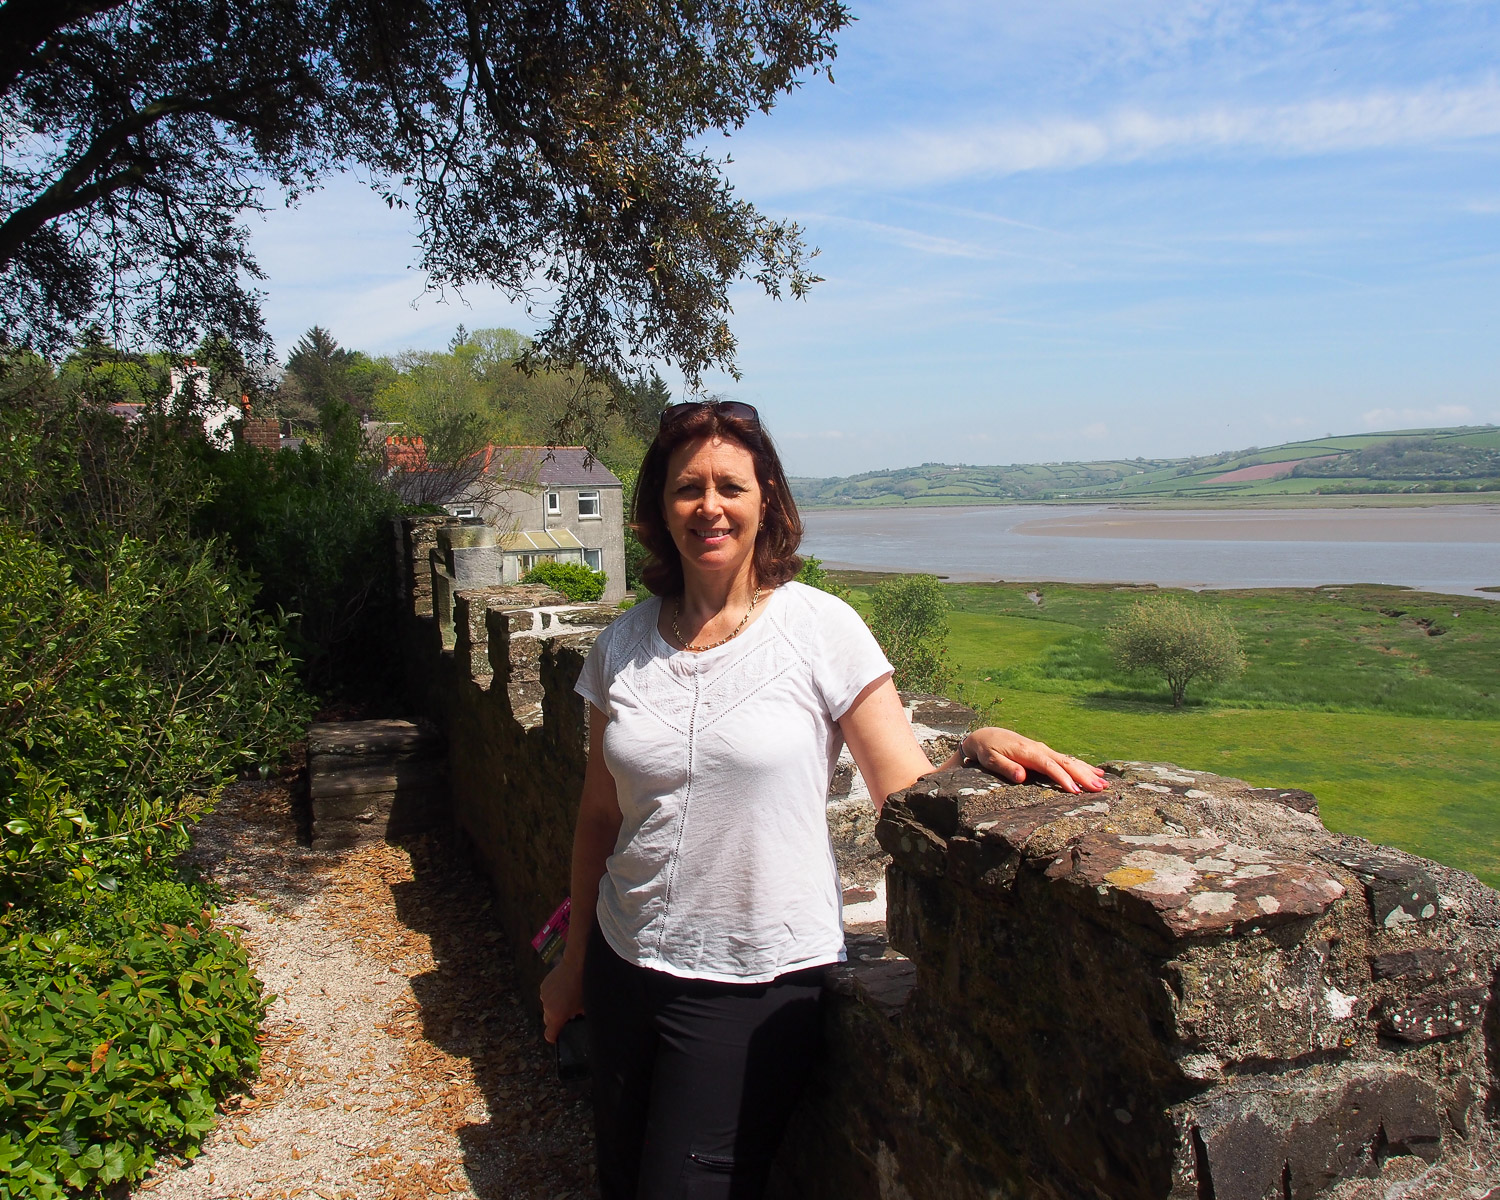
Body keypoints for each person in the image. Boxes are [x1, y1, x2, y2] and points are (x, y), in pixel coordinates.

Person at [540, 400, 1105, 1198]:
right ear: (658, 508)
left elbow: (903, 790)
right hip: (623, 963)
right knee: (620, 1176)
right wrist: (574, 966)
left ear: (765, 496)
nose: (709, 506)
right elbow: (600, 816)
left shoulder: (820, 628)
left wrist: (973, 746)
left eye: (730, 486)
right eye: (686, 488)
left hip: (753, 985)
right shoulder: (620, 647)